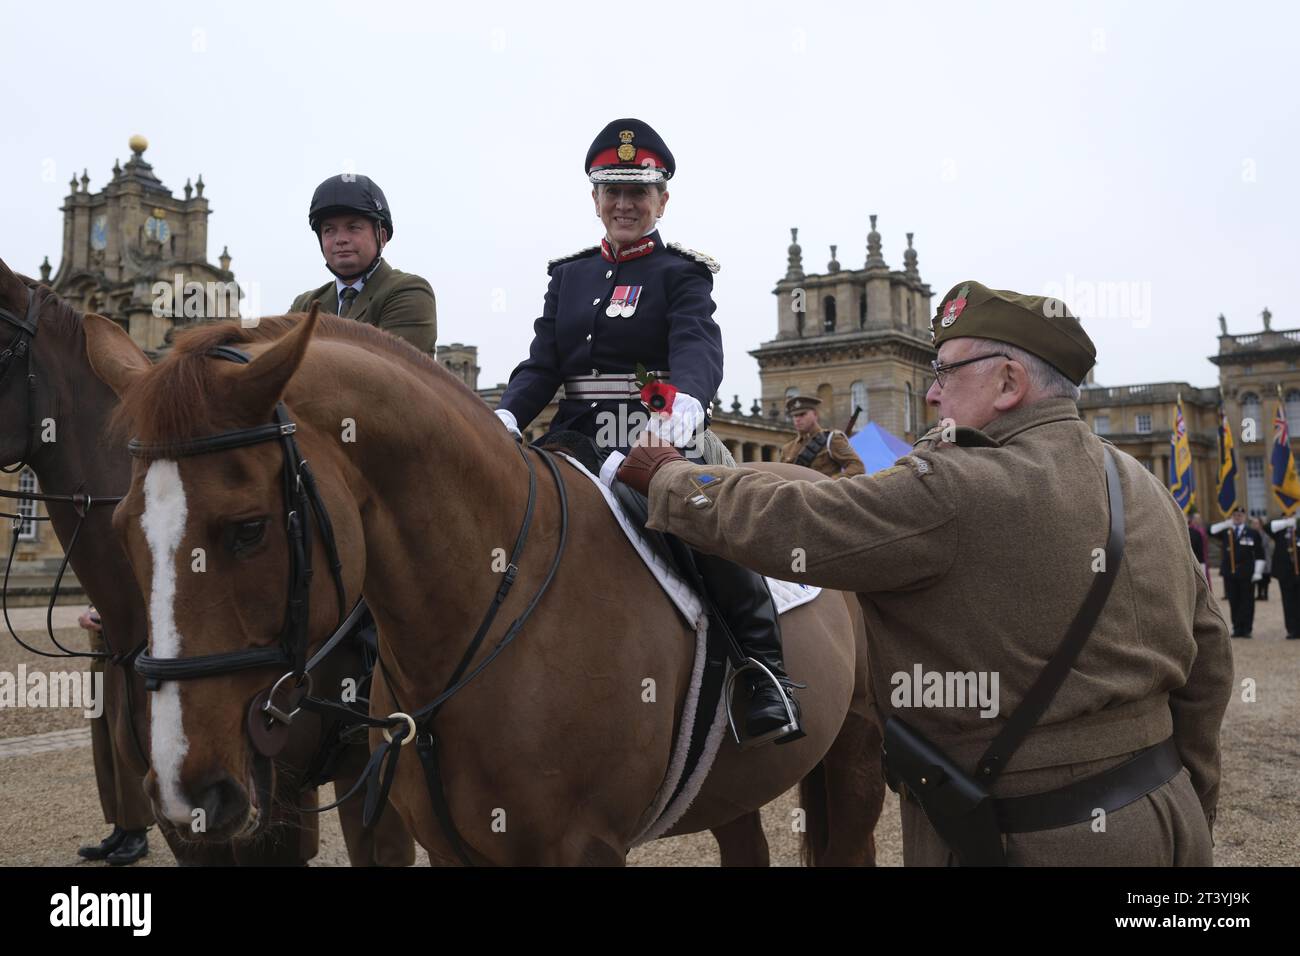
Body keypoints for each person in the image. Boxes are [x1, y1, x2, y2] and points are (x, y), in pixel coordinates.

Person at [618, 280, 1233, 866]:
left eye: (945, 374)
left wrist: (670, 479)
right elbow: (1208, 656)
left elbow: (799, 520)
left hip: (1025, 834)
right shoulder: (1141, 485)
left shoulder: (957, 485)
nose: (932, 394)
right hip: (1165, 811)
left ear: (1009, 382)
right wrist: (1187, 797)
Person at [493, 118, 802, 745]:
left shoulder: (680, 272)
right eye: (613, 191)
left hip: (654, 431)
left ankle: (764, 672)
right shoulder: (569, 275)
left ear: (662, 199)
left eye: (639, 192)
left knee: (698, 519)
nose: (624, 204)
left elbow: (696, 344)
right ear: (595, 199)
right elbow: (543, 365)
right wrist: (503, 416)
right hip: (573, 436)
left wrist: (684, 403)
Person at [290, 174, 437, 353]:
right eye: (329, 230)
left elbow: (388, 370)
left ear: (381, 237)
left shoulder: (410, 292)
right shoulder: (305, 305)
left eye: (353, 228)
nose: (340, 239)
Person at [75, 605, 151, 865]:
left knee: (124, 747)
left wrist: (104, 620)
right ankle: (120, 825)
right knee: (104, 748)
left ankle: (137, 831)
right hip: (99, 658)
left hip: (123, 661)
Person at [779, 396, 866, 478]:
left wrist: (829, 482)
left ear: (815, 414)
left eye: (802, 414)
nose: (797, 419)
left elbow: (857, 466)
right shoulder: (787, 449)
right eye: (795, 416)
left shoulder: (832, 439)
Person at [1209, 508, 1263, 637]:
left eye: (1240, 515)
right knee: (1234, 601)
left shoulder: (1252, 533)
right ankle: (1237, 627)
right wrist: (1226, 523)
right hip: (1230, 573)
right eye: (1235, 515)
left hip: (1246, 573)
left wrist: (1258, 572)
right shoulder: (1227, 532)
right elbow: (1210, 531)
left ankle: (1247, 629)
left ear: (1244, 517)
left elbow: (1260, 554)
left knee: (1247, 601)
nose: (1237, 517)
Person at [1269, 517, 1300, 639]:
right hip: (1286, 574)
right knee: (1288, 603)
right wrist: (1286, 523)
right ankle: (1292, 629)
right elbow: (1267, 527)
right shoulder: (1280, 530)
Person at [1253, 517, 1273, 600]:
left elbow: (1263, 544)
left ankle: (1265, 594)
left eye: (1256, 523)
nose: (1254, 525)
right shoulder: (1253, 533)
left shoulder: (1265, 533)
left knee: (1265, 578)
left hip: (1265, 558)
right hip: (1256, 558)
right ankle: (1259, 594)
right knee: (1258, 577)